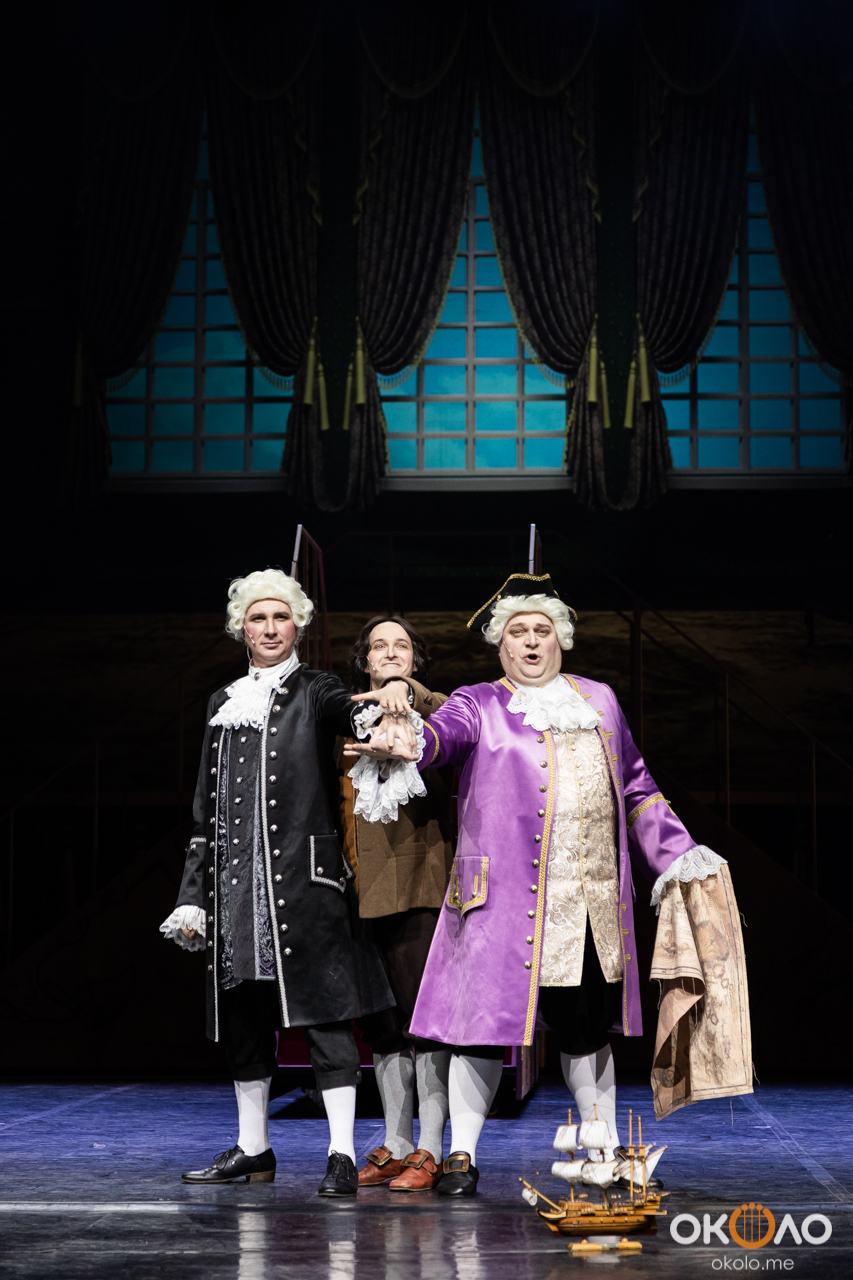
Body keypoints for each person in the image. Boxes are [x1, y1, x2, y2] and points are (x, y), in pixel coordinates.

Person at [348, 574, 730, 1197]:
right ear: (500, 645)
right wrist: (411, 738)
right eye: (518, 632)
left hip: (588, 904)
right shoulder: (478, 701)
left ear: (562, 640)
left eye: (542, 631)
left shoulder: (600, 700)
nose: (530, 641)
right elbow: (443, 736)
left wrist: (678, 854)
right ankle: (463, 1156)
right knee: (481, 1032)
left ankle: (603, 1149)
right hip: (499, 905)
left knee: (586, 1030)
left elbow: (637, 788)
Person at [159, 569, 407, 1197]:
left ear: (297, 626)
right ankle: (254, 1149)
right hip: (235, 892)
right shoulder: (223, 700)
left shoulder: (315, 688)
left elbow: (346, 711)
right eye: (257, 619)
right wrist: (192, 895)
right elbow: (204, 811)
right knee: (244, 1019)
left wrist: (383, 703)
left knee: (326, 1018)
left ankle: (341, 1153)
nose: (270, 629)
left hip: (305, 884)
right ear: (241, 629)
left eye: (280, 618)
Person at [339, 616, 453, 1192]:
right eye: (378, 646)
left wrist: (404, 692)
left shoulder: (435, 714)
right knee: (382, 1027)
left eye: (401, 646)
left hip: (418, 888)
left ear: (414, 660)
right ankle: (397, 1142)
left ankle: (430, 1147)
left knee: (423, 1023)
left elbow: (441, 711)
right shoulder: (344, 719)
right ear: (364, 660)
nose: (389, 653)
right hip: (358, 890)